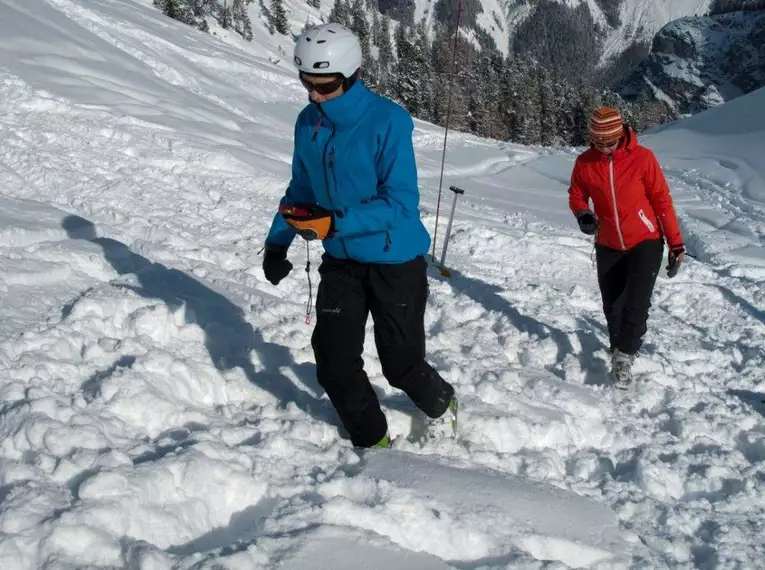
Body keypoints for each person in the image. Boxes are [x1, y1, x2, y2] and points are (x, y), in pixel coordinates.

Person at [261, 23, 456, 447]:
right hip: (343, 263)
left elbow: (400, 203)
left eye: (324, 85)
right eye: (306, 83)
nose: (313, 94)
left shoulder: (387, 121)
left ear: (349, 77)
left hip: (395, 262)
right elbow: (301, 190)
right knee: (333, 362)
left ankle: (441, 401)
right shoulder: (307, 122)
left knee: (401, 365)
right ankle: (373, 441)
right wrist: (277, 242)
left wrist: (335, 223)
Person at [568, 106, 685, 389]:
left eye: (609, 142)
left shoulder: (643, 159)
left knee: (636, 302)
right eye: (599, 143)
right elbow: (576, 194)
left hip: (645, 240)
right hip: (607, 241)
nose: (605, 148)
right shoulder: (585, 163)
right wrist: (583, 213)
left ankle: (624, 355)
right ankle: (617, 344)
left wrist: (676, 244)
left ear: (619, 135)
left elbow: (662, 201)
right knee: (612, 303)